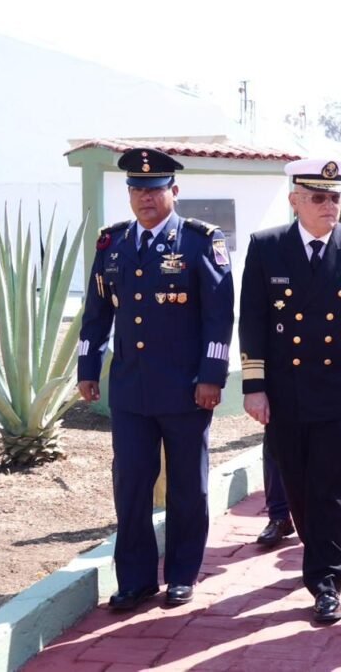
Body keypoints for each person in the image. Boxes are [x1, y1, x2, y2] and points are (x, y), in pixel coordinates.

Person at [77, 148, 234, 611]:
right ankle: (136, 578)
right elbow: (96, 314)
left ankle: (182, 574)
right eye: (137, 190)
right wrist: (89, 369)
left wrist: (211, 376)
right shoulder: (113, 243)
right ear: (129, 194)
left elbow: (219, 317)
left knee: (188, 484)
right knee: (131, 483)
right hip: (129, 389)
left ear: (174, 191)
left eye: (154, 189)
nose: (145, 198)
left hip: (187, 389)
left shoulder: (201, 242)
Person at [239, 157, 341, 624]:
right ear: (295, 201)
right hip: (285, 392)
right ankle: (315, 553)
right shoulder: (267, 248)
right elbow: (253, 320)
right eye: (319, 197)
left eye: (336, 197)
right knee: (298, 485)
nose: (331, 206)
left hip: (339, 387)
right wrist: (254, 386)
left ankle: (326, 580)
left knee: (329, 487)